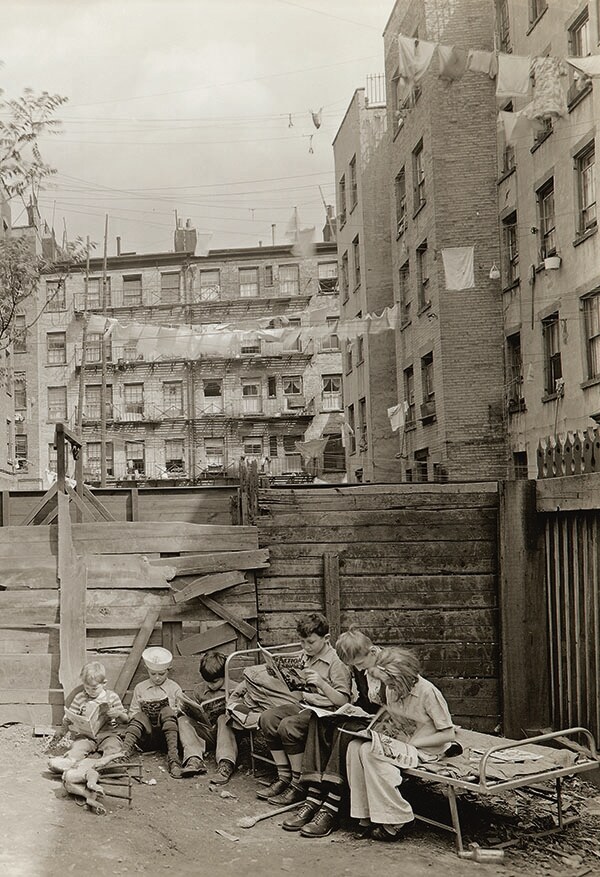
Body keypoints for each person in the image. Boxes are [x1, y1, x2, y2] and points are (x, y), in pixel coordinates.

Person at [346, 646, 456, 842]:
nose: (388, 687)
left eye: (391, 682)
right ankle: (366, 815)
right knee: (356, 746)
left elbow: (448, 733)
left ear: (403, 677)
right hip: (401, 744)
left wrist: (416, 742)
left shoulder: (428, 692)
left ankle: (397, 818)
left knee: (371, 753)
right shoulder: (391, 689)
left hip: (426, 749)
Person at [283, 628, 384, 838]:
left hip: (386, 724)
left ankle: (331, 806)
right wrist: (356, 710)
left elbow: (396, 707)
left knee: (344, 730)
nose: (358, 668)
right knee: (320, 720)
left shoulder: (390, 669)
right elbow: (361, 700)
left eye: (360, 664)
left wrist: (367, 715)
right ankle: (313, 796)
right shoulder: (361, 666)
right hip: (365, 716)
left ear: (373, 652)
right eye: (354, 665)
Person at [257, 612, 352, 807]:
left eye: (310, 642)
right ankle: (283, 776)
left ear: (326, 639)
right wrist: (276, 671)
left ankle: (299, 783)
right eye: (302, 642)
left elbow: (343, 701)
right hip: (305, 705)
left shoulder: (336, 662)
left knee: (288, 726)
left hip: (326, 714)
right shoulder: (304, 656)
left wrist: (322, 684)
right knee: (267, 717)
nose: (306, 647)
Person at [48, 661, 128, 774]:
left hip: (108, 734)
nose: (90, 692)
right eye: (87, 688)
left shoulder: (112, 697)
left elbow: (126, 720)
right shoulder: (80, 698)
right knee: (78, 746)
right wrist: (68, 721)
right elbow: (70, 716)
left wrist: (118, 714)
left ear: (104, 683)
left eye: (94, 688)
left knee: (113, 746)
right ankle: (69, 762)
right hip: (86, 736)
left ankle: (110, 764)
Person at [115, 647, 184, 779]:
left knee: (167, 711)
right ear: (147, 670)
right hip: (147, 738)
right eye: (153, 674)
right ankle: (122, 756)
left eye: (161, 674)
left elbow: (182, 716)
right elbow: (133, 714)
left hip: (168, 738)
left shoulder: (174, 688)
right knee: (139, 716)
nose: (157, 678)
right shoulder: (140, 688)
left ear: (168, 671)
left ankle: (174, 759)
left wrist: (172, 711)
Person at [177, 651, 238, 781]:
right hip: (207, 734)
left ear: (224, 675)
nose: (210, 685)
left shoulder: (235, 689)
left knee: (223, 719)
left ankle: (225, 763)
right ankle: (194, 759)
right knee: (183, 720)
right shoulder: (199, 690)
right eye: (207, 681)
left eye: (215, 681)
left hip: (228, 735)